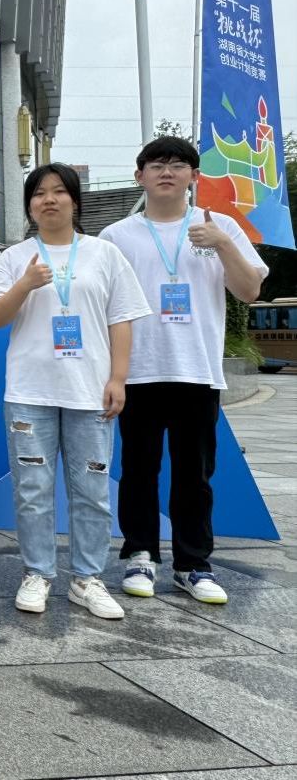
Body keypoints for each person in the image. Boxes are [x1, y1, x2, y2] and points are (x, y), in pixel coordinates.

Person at [100, 136, 267, 605]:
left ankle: (193, 565)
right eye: (157, 164)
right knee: (138, 470)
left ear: (194, 176)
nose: (167, 172)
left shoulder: (220, 226)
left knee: (195, 475)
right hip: (139, 371)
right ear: (140, 176)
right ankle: (140, 555)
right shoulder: (116, 236)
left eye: (178, 164)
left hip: (197, 370)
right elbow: (104, 307)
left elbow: (249, 291)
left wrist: (222, 246)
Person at [0, 163, 150, 619]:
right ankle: (36, 573)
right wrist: (25, 284)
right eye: (39, 193)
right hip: (30, 393)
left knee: (92, 490)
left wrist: (118, 379)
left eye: (59, 191)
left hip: (89, 392)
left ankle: (86, 578)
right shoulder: (14, 258)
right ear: (29, 205)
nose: (49, 200)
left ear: (75, 201)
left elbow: (122, 319)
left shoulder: (104, 254)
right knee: (33, 489)